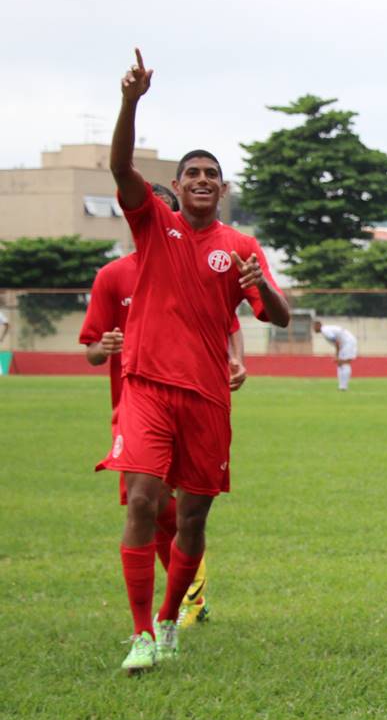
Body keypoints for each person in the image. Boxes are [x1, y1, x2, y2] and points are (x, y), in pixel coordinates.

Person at [103, 49, 289, 674]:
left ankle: (168, 618)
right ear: (177, 188)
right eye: (193, 174)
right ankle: (139, 634)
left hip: (208, 396)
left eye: (213, 173)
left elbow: (276, 316)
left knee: (195, 513)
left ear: (223, 187)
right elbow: (120, 165)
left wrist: (261, 280)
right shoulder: (154, 224)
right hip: (148, 386)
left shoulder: (239, 247)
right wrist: (131, 100)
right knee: (143, 500)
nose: (204, 180)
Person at [80, 183, 245, 634]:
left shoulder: (196, 264)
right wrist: (105, 347)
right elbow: (92, 348)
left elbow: (229, 319)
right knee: (147, 507)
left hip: (194, 401)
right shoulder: (113, 276)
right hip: (134, 403)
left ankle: (185, 596)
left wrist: (238, 358)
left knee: (180, 510)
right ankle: (169, 607)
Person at [313, 320, 357, 391]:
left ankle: (344, 387)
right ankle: (341, 387)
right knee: (340, 363)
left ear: (318, 326)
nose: (313, 329)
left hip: (348, 343)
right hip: (345, 344)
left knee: (345, 362)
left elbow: (337, 342)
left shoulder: (325, 331)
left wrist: (336, 355)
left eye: (314, 327)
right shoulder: (326, 330)